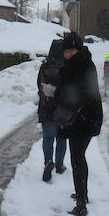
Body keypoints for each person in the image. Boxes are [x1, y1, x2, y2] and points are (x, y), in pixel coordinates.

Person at [55, 32, 103, 216]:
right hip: (82, 119)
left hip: (82, 120)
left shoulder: (81, 66)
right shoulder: (78, 64)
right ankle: (82, 194)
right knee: (79, 157)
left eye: (71, 51)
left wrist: (61, 99)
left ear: (78, 50)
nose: (67, 54)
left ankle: (81, 204)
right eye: (65, 51)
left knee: (77, 159)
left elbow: (79, 94)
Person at [36, 38, 67, 182]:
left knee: (48, 138)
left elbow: (39, 85)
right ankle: (59, 165)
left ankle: (48, 161)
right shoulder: (66, 66)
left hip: (46, 108)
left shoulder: (45, 66)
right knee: (61, 138)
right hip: (63, 109)